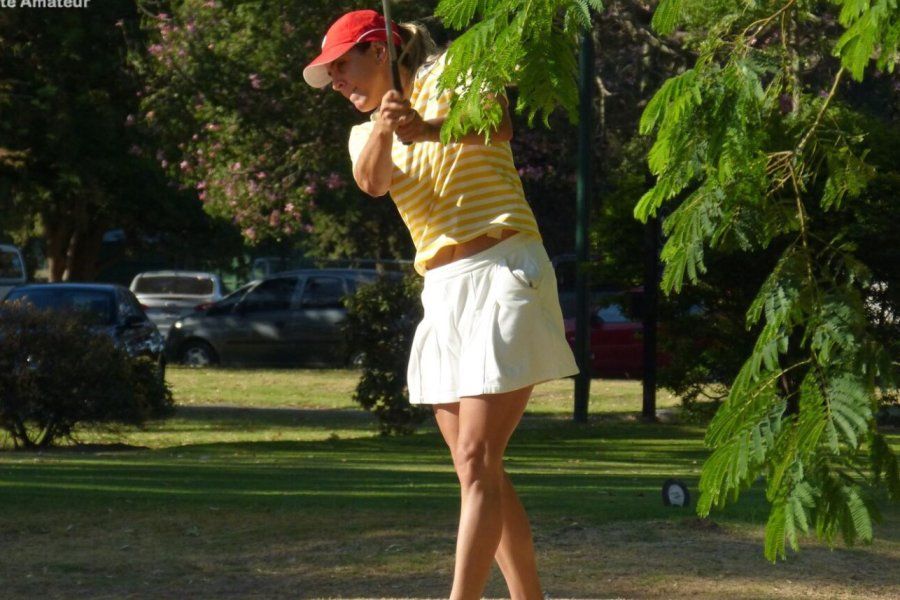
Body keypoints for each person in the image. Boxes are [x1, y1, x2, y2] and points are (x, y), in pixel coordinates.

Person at [303, 10, 578, 600]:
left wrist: (425, 126)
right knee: (480, 471)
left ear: (380, 49)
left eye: (343, 66)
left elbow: (500, 124)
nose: (339, 83)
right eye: (331, 77)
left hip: (504, 266)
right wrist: (386, 125)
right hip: (443, 291)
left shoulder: (459, 67)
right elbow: (373, 182)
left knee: (478, 460)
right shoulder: (361, 132)